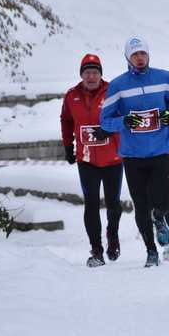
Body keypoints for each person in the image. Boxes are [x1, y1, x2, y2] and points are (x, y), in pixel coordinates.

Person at [98, 37, 169, 268]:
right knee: (141, 205)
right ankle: (151, 250)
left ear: (148, 55)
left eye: (143, 53)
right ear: (128, 57)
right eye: (135, 55)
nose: (140, 58)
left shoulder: (163, 78)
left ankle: (159, 216)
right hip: (133, 156)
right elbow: (105, 121)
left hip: (160, 151)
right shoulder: (117, 85)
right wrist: (126, 121)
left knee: (164, 200)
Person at [60, 53, 124, 267]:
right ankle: (96, 250)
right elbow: (66, 120)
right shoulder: (72, 96)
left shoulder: (112, 92)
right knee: (91, 204)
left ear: (100, 75)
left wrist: (108, 130)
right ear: (81, 75)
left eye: (95, 72)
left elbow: (122, 117)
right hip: (86, 159)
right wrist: (68, 145)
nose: (91, 77)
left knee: (114, 204)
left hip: (113, 157)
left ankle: (112, 236)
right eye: (87, 72)